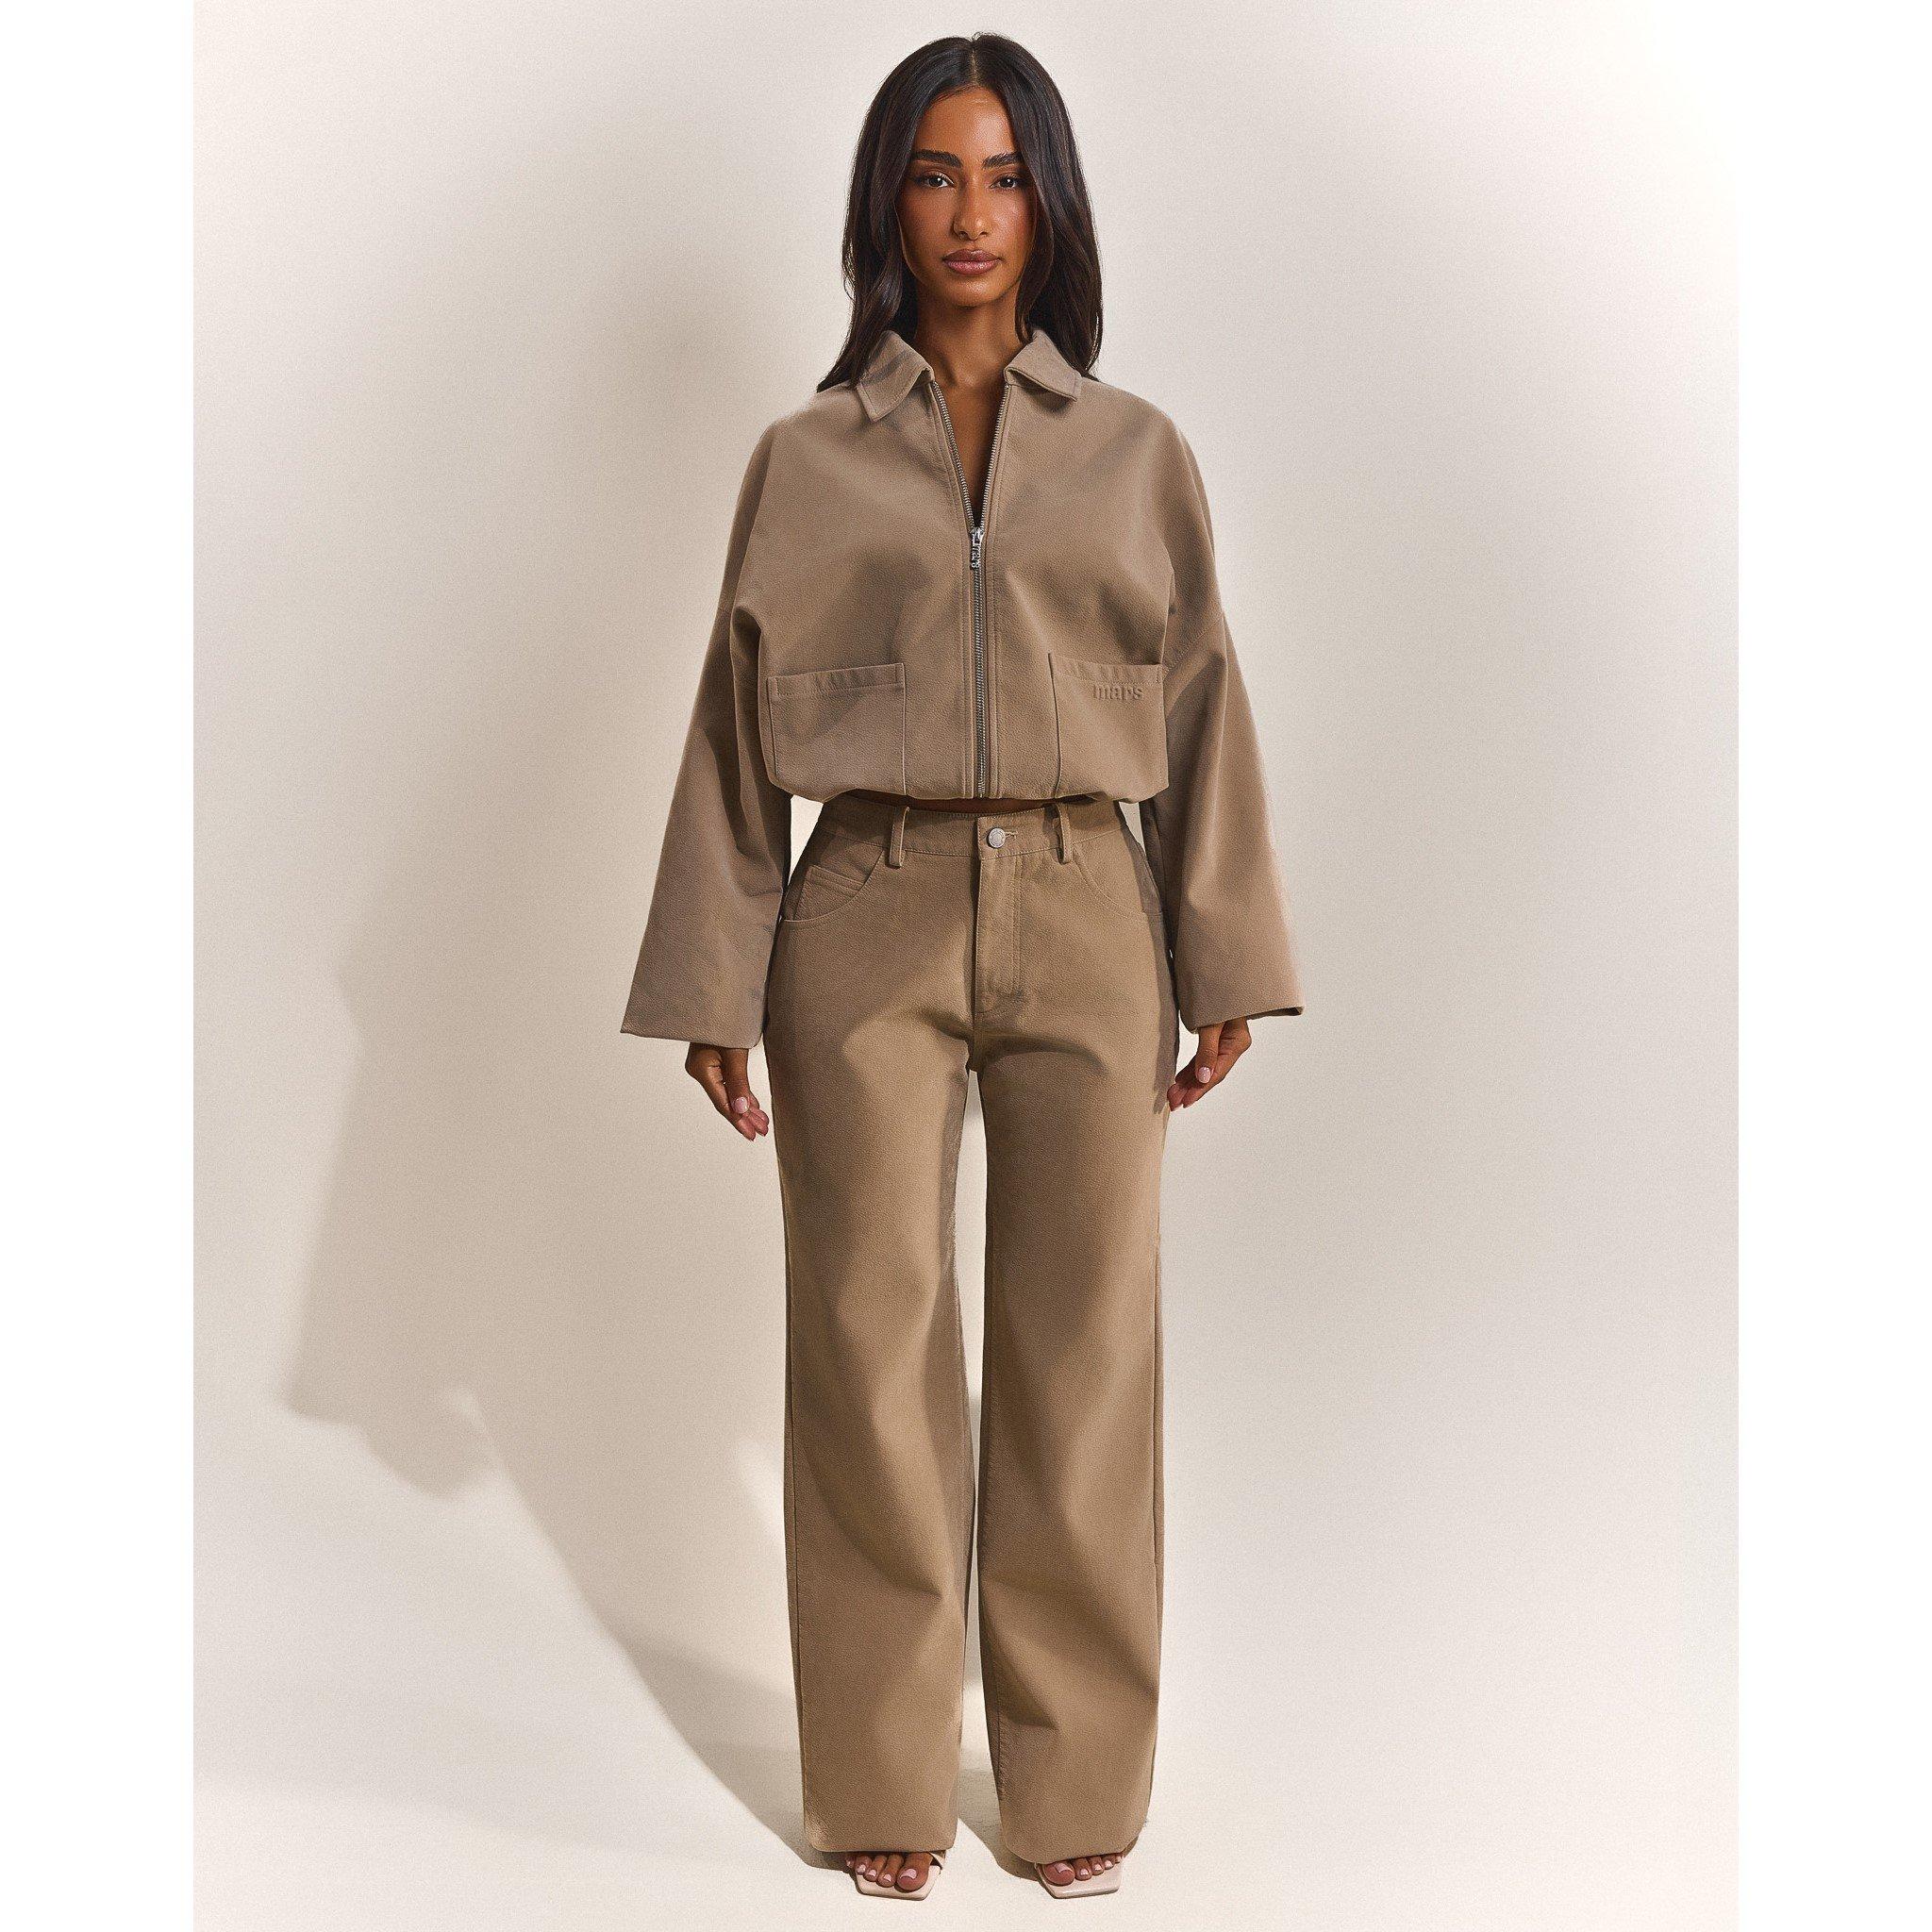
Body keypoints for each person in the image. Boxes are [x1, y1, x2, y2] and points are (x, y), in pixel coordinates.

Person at [621, 32, 1303, 1903]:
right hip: (867, 908)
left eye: (1004, 176)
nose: (971, 213)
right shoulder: (807, 458)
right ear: (887, 204)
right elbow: (732, 729)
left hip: (1090, 909)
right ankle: (881, 1779)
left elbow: (1201, 699)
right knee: (867, 1346)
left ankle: (1076, 1782)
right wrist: (713, 982)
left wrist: (1225, 950)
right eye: (935, 174)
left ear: (1050, 204)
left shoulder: (1137, 454)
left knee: (1084, 1356)